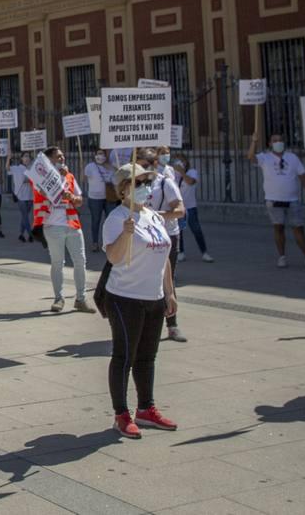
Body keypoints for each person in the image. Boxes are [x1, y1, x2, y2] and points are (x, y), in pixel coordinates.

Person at [103, 163, 178, 439]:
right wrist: (126, 233)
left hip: (153, 298)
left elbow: (165, 255)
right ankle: (121, 414)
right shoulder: (117, 219)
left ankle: (146, 408)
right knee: (124, 357)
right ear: (123, 190)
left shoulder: (154, 216)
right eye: (139, 183)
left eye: (147, 182)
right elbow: (113, 257)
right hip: (125, 298)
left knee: (148, 357)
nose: (146, 187)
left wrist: (169, 292)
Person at [247, 131, 305, 268]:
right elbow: (250, 158)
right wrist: (254, 142)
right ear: (270, 144)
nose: (278, 142)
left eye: (280, 140)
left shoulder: (292, 157)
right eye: (275, 140)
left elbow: (302, 175)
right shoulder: (265, 157)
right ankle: (281, 257)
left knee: (298, 228)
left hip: (292, 200)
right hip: (273, 200)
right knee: (278, 228)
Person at [31, 147, 92, 314]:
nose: (62, 158)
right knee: (58, 263)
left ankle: (81, 299)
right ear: (49, 160)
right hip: (52, 226)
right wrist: (61, 178)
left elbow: (79, 200)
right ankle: (59, 298)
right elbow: (47, 193)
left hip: (72, 225)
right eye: (58, 157)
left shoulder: (70, 176)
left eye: (63, 155)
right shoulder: (40, 179)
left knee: (80, 261)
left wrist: (73, 197)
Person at [138, 147, 186, 341]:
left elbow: (180, 210)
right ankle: (145, 323)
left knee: (167, 279)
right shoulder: (136, 183)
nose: (142, 170)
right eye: (139, 166)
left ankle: (172, 324)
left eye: (145, 166)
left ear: (155, 165)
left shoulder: (165, 183)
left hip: (166, 236)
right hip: (143, 237)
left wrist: (157, 216)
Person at [171, 151, 213, 263]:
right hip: (178, 207)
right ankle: (181, 252)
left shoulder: (192, 172)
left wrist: (182, 172)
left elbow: (190, 182)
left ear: (186, 162)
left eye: (181, 159)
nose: (179, 162)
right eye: (176, 160)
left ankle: (204, 252)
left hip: (190, 207)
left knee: (196, 229)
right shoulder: (173, 174)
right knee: (179, 231)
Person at [83, 150, 114, 252]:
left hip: (109, 198)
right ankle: (95, 243)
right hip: (95, 199)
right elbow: (83, 179)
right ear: (95, 155)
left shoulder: (110, 166)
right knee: (96, 221)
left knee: (110, 221)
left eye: (102, 154)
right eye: (98, 153)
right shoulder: (90, 166)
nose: (100, 156)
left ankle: (108, 243)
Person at [9, 153, 34, 242]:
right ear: (21, 158)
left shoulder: (32, 168)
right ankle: (31, 234)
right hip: (21, 196)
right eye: (25, 156)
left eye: (28, 156)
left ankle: (21, 234)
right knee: (25, 216)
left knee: (25, 216)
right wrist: (8, 157)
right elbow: (7, 168)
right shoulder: (16, 168)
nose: (27, 158)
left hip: (30, 196)